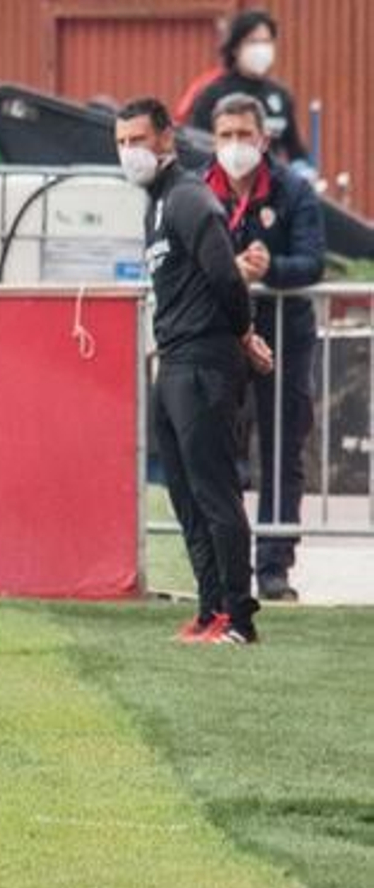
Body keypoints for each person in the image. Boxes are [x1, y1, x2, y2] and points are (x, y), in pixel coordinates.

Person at [115, 96, 272, 645]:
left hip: (204, 362)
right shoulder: (156, 204)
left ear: (166, 139)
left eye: (138, 140)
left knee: (214, 492)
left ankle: (239, 617)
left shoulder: (188, 198)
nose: (129, 152)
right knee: (184, 494)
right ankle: (210, 608)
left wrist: (244, 334)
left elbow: (226, 279)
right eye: (121, 143)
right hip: (174, 360)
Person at [203, 92, 326, 600]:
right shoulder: (198, 190)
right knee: (213, 448)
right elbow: (181, 260)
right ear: (213, 139)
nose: (235, 145)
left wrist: (270, 269)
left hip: (285, 335)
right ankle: (221, 563)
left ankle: (274, 566)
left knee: (281, 447)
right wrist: (227, 270)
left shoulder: (294, 190)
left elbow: (313, 262)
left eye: (244, 135)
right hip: (221, 334)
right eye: (226, 135)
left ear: (264, 138)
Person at [188, 10, 310, 169]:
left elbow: (294, 149)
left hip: (271, 180)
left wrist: (303, 168)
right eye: (253, 42)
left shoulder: (280, 96)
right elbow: (195, 146)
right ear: (235, 48)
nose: (261, 49)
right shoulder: (212, 95)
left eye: (266, 42)